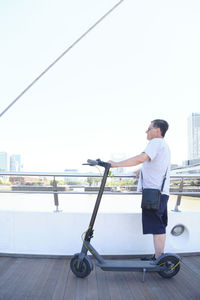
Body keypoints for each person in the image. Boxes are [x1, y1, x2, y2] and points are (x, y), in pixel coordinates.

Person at [108, 119, 170, 260]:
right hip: (159, 193)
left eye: (149, 128)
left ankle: (159, 260)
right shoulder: (162, 145)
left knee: (157, 227)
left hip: (154, 194)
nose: (146, 131)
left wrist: (116, 164)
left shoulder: (156, 142)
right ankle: (157, 257)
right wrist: (141, 171)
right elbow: (155, 166)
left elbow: (141, 158)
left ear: (158, 130)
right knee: (158, 226)